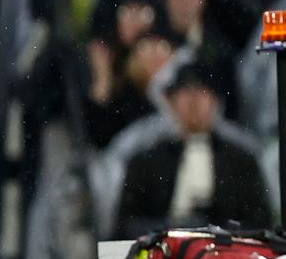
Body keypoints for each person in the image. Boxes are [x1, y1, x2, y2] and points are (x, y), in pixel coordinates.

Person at [114, 63, 271, 239]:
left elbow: (259, 224)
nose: (193, 101)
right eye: (185, 92)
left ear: (215, 102)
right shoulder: (146, 161)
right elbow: (125, 225)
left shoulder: (241, 161)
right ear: (172, 103)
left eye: (202, 92)